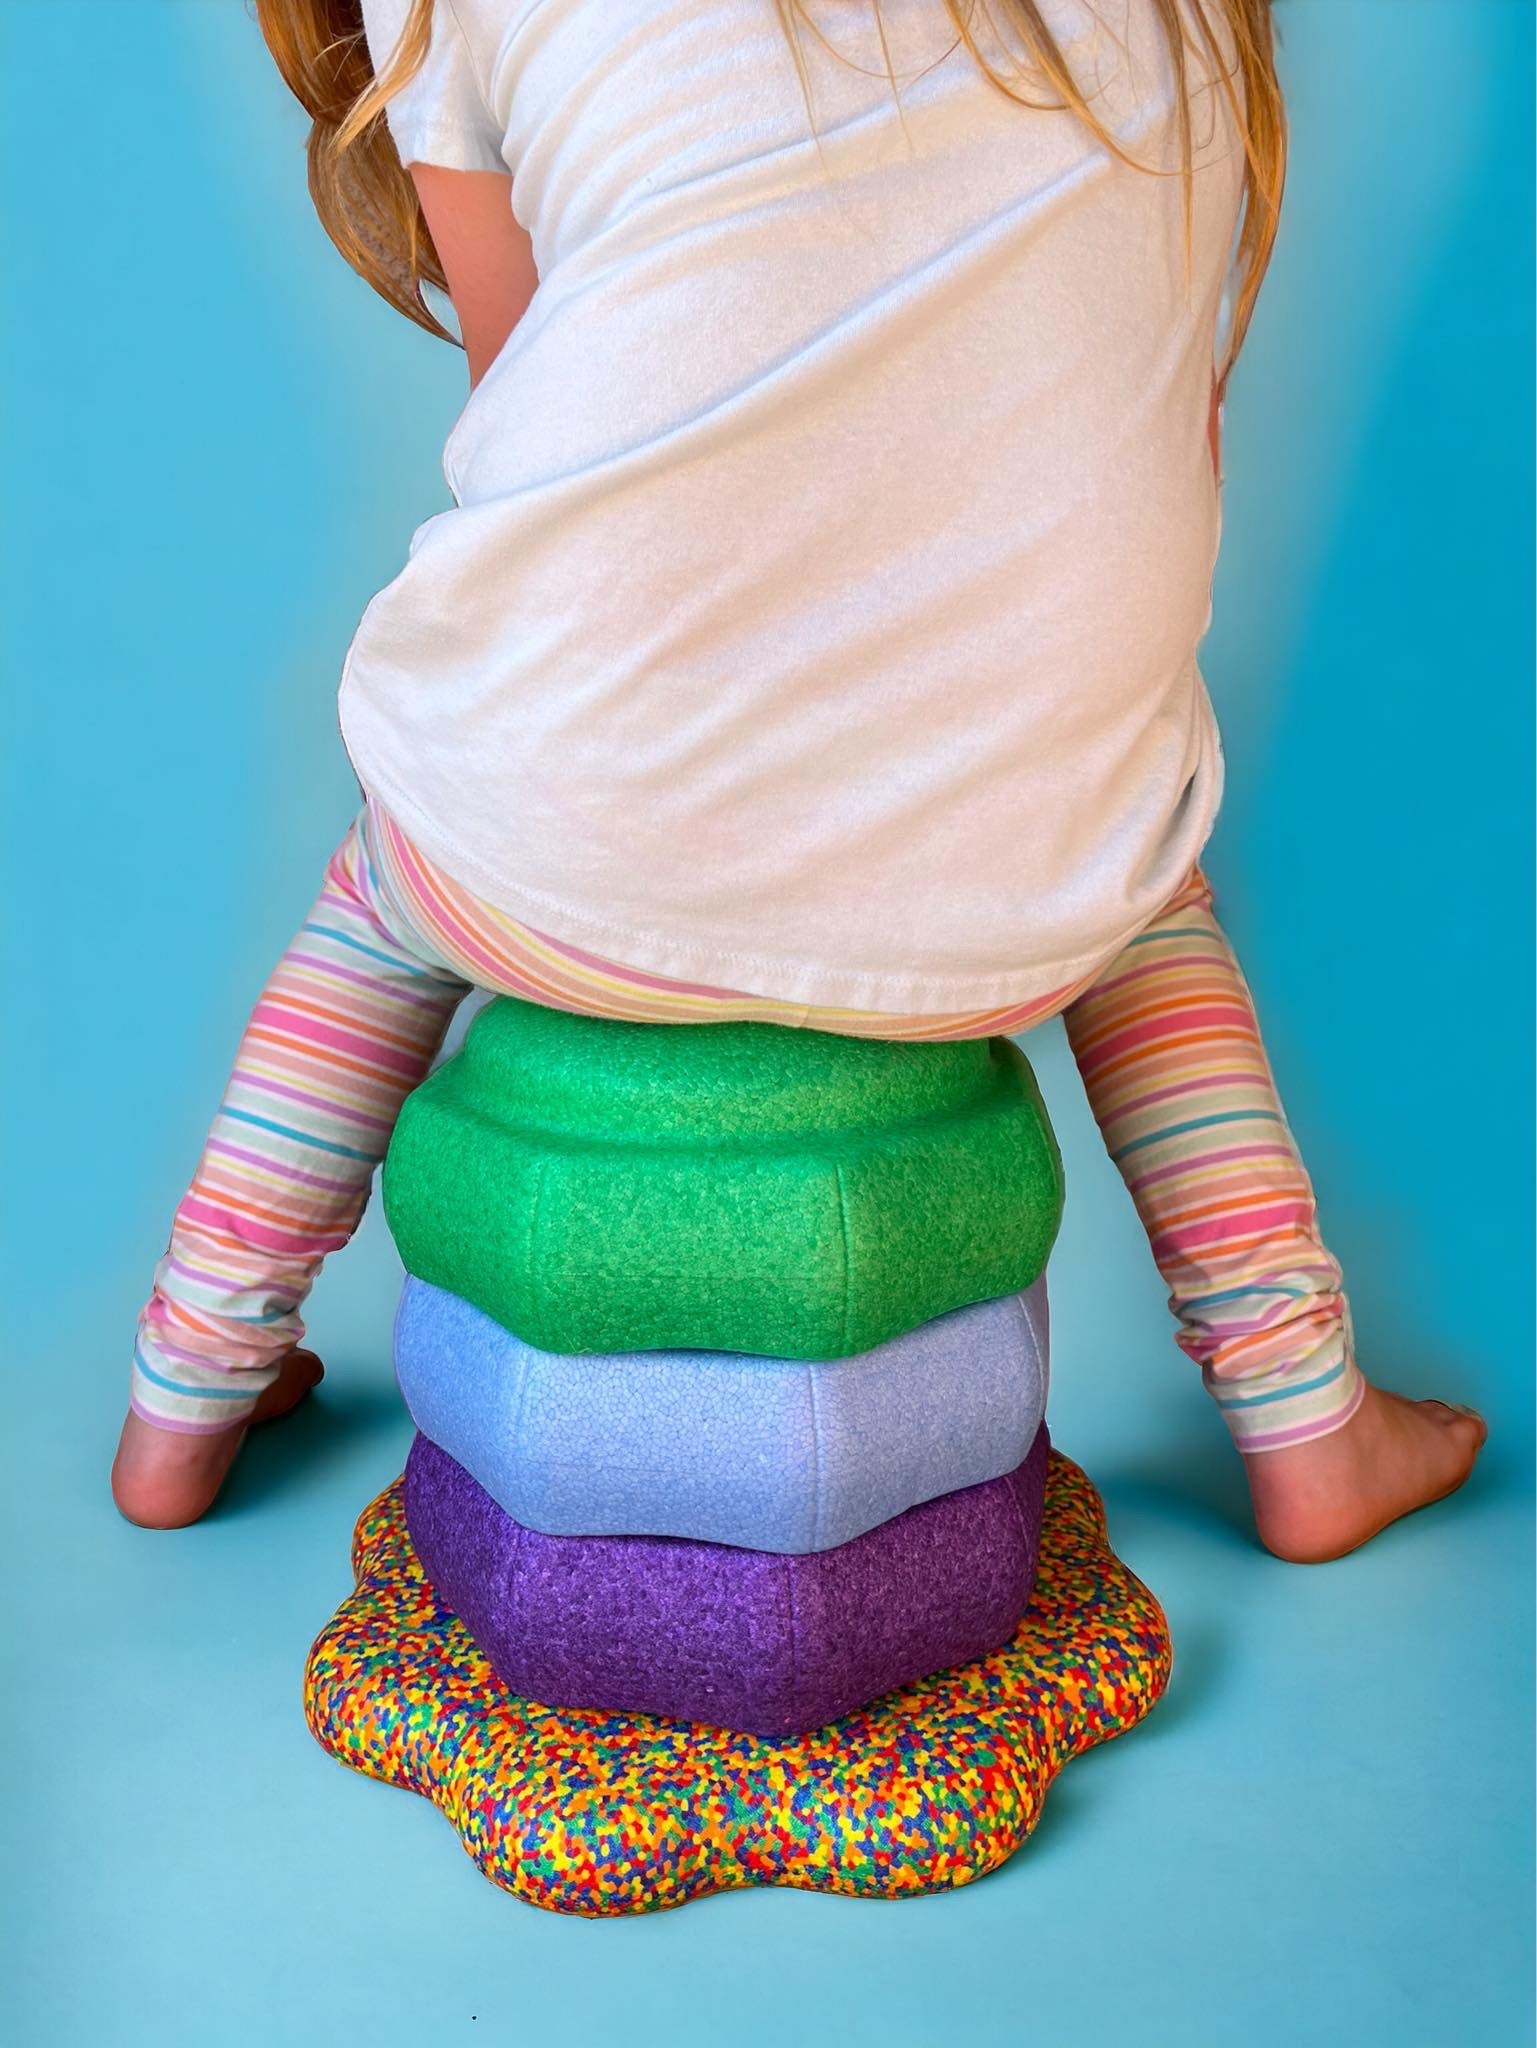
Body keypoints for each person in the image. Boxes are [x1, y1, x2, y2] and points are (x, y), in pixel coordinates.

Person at [112, 0, 1484, 1557]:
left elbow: (539, 404)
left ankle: (188, 1391)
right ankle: (1306, 1416)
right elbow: (1158, 430)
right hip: (1021, 882)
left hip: (550, 858)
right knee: (1145, 903)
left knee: (376, 910)